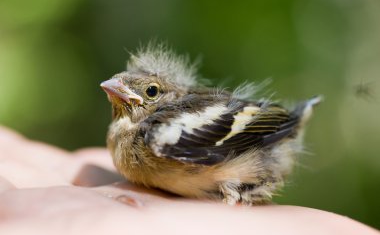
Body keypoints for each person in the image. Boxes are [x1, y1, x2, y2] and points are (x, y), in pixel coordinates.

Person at [0, 126, 378, 235]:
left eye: (146, 92)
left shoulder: (162, 136)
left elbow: (248, 132)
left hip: (258, 146)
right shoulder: (127, 138)